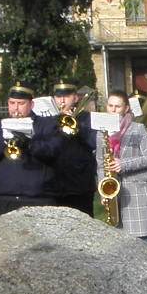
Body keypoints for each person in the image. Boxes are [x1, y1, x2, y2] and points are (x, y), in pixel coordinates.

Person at [0, 86, 57, 215]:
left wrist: (30, 143)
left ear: (31, 104)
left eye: (21, 103)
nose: (16, 108)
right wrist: (2, 142)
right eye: (12, 103)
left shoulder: (45, 125)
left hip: (38, 197)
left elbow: (53, 152)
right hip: (5, 197)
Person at [98, 89, 147, 245]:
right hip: (116, 196)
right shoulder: (101, 132)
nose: (113, 110)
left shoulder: (137, 129)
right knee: (122, 248)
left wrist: (124, 164)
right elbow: (100, 163)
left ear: (126, 108)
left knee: (144, 245)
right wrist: (103, 193)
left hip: (138, 194)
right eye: (110, 106)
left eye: (117, 107)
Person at [42, 80, 97, 213]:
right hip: (55, 185)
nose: (62, 100)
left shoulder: (87, 118)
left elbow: (93, 142)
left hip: (80, 184)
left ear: (76, 98)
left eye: (66, 96)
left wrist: (76, 125)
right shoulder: (48, 120)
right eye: (58, 96)